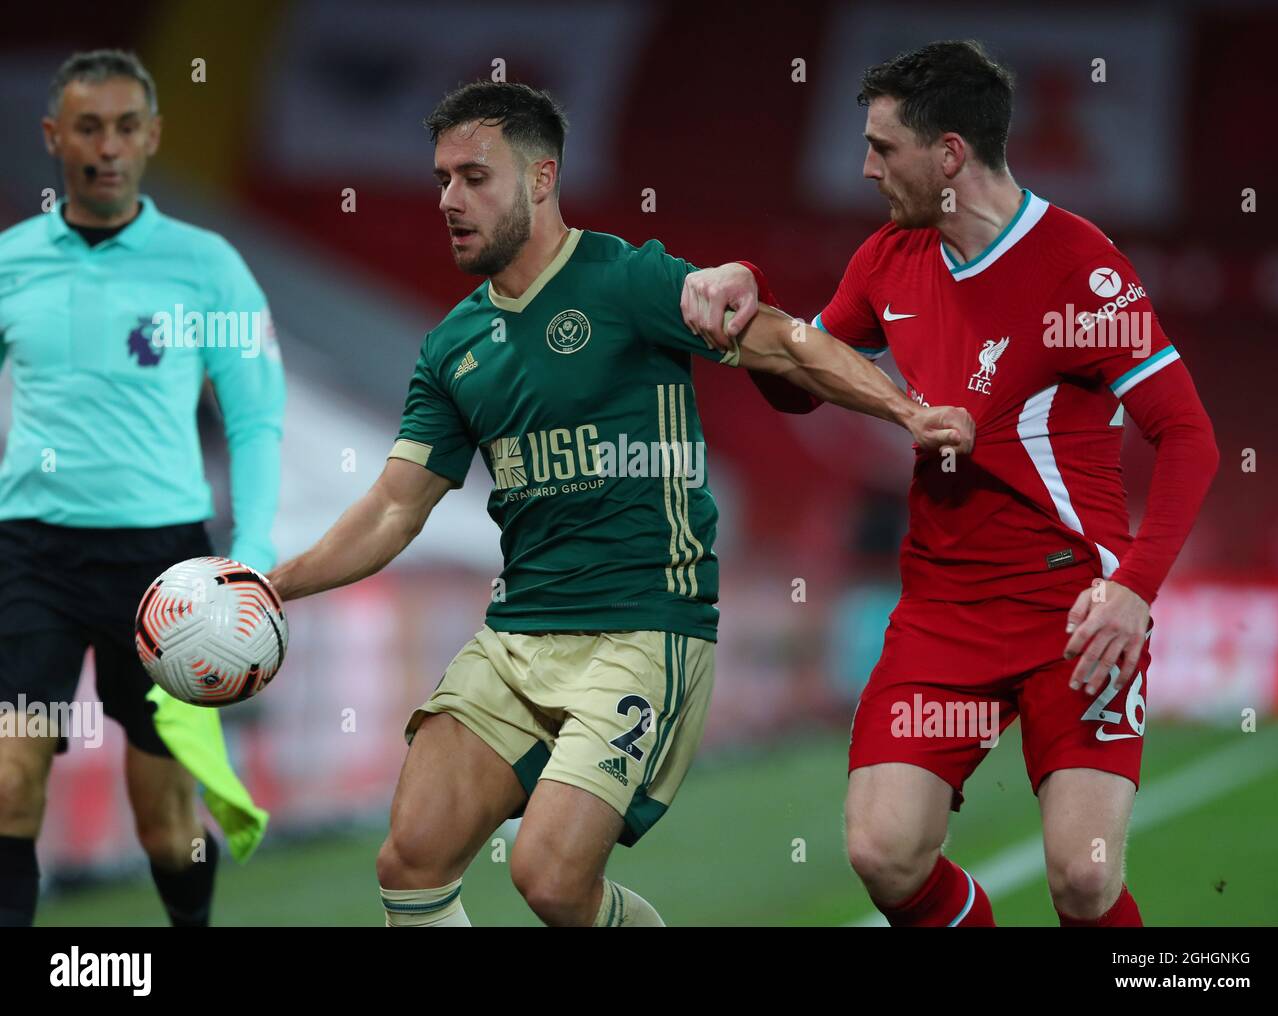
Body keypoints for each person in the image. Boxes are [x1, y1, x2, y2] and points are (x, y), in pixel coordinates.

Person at [265, 80, 973, 927]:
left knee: (552, 881)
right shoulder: (452, 346)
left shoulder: (631, 281)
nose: (450, 199)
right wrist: (274, 587)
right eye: (441, 179)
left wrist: (906, 410)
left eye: (474, 177)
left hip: (645, 628)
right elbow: (391, 509)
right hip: (518, 637)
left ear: (539, 178)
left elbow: (787, 342)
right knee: (411, 859)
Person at [683, 40, 1219, 927]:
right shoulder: (890, 258)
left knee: (1083, 882)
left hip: (1073, 612)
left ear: (949, 155)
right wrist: (753, 301)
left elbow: (1189, 435)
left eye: (883, 148)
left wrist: (1133, 589)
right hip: (943, 612)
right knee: (883, 854)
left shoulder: (1082, 267)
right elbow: (803, 383)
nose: (865, 168)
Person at [0, 49, 284, 927]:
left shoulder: (207, 266)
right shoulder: (10, 262)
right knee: (8, 781)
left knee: (164, 822)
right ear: (55, 137)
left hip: (168, 574)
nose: (108, 146)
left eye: (127, 126)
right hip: (31, 555)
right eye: (88, 127)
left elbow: (255, 416)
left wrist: (259, 554)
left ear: (153, 136)